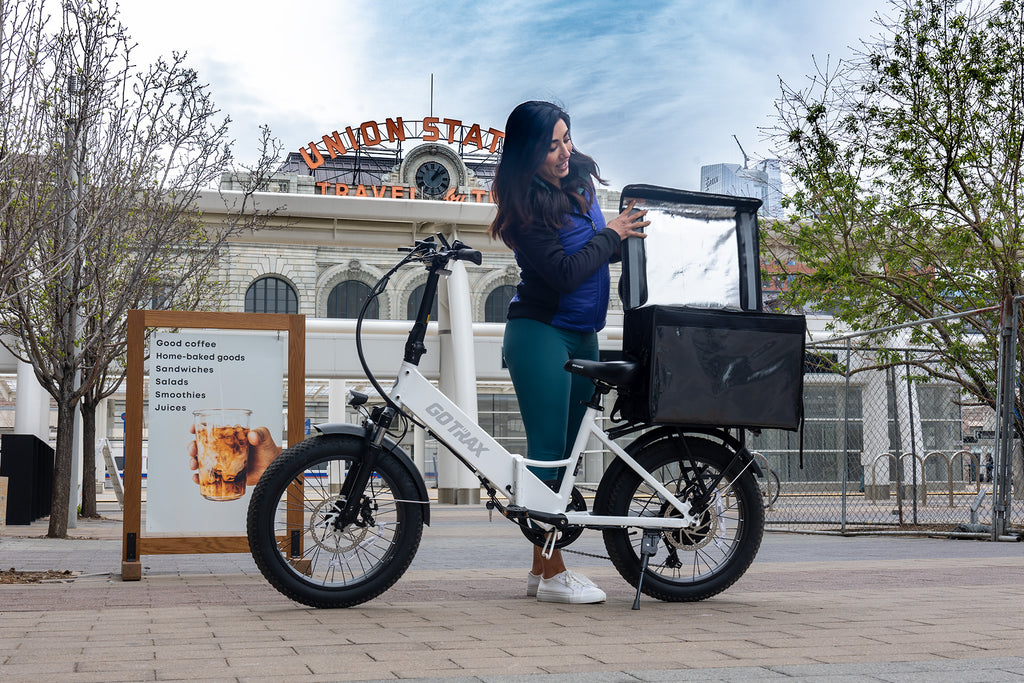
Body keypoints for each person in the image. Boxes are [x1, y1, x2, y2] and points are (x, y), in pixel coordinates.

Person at [489, 101, 649, 604]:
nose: (565, 152)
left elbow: (598, 249)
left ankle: (542, 572)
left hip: (583, 333)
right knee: (546, 456)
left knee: (565, 460)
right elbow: (563, 272)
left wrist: (627, 235)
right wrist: (611, 234)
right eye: (552, 145)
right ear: (527, 153)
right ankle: (557, 573)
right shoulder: (521, 210)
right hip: (540, 333)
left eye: (567, 138)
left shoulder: (580, 181)